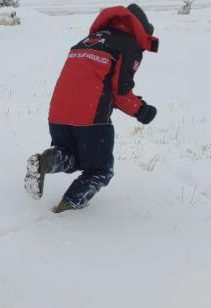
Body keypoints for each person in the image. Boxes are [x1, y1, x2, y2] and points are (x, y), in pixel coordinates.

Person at [24, 3, 159, 213]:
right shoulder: (128, 45)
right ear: (140, 29)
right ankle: (66, 209)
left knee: (72, 157)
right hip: (91, 119)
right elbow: (120, 94)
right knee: (100, 170)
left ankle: (46, 161)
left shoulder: (87, 41)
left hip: (58, 114)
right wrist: (142, 111)